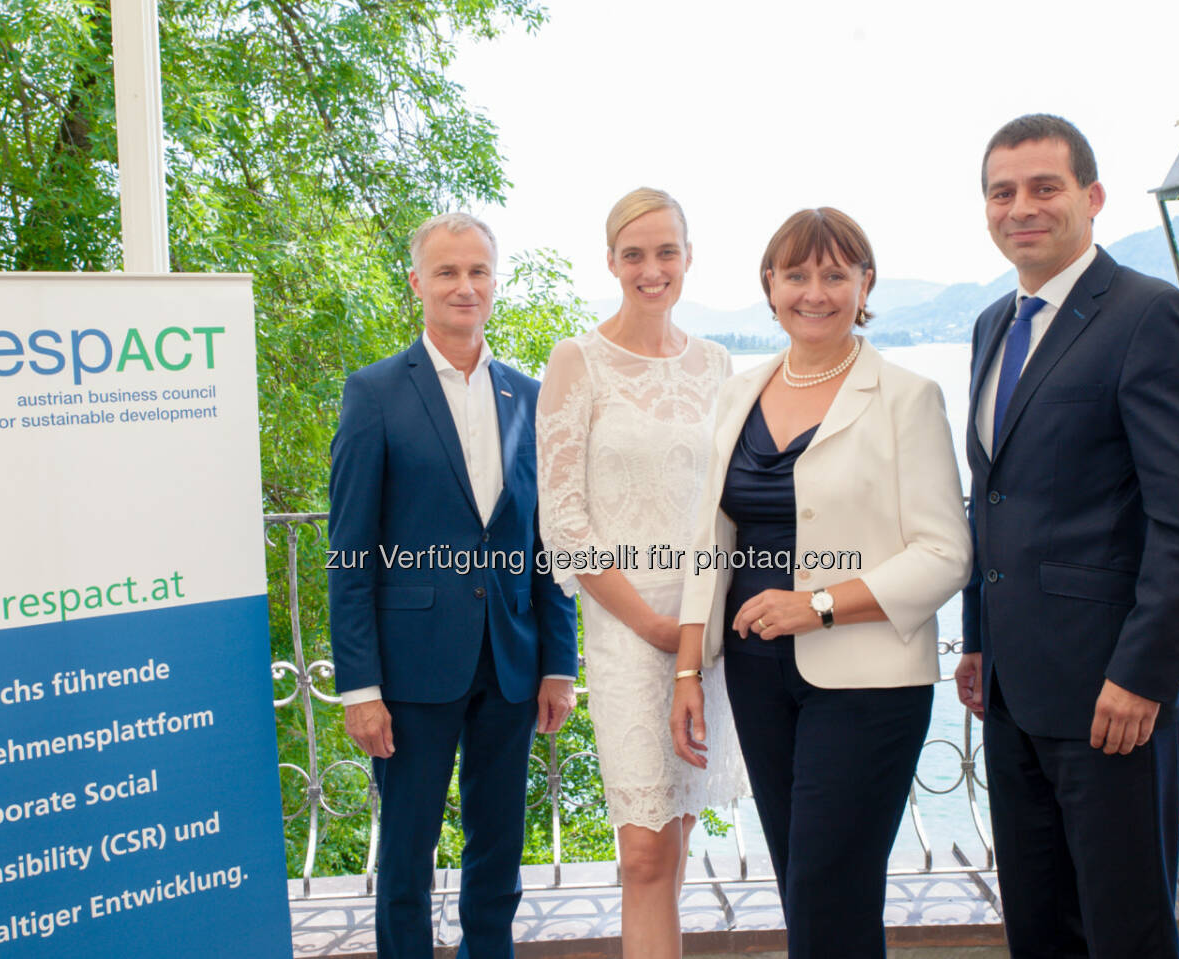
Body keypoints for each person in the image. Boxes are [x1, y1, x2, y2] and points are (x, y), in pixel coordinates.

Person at [954, 114, 1179, 958]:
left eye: (1045, 187)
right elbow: (991, 499)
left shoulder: (1152, 316)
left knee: (1127, 931)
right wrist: (976, 641)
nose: (1022, 207)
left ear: (1092, 196)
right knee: (1040, 928)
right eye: (1003, 192)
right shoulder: (991, 327)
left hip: (1114, 697)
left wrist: (1143, 675)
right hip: (1011, 689)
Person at [670, 207, 972, 959]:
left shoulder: (908, 396)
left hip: (869, 679)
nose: (815, 290)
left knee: (828, 880)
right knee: (801, 882)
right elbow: (707, 543)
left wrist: (820, 605)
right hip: (756, 671)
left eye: (835, 273)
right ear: (769, 285)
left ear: (865, 284)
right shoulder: (736, 395)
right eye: (797, 273)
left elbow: (945, 552)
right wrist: (686, 666)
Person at [328, 212, 579, 959]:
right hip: (409, 668)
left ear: (495, 283)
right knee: (407, 852)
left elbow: (548, 540)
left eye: (478, 271)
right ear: (417, 283)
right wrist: (359, 686)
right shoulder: (373, 394)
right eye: (447, 272)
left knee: (498, 850)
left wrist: (558, 661)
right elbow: (349, 552)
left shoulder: (530, 397)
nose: (464, 286)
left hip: (511, 663)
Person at [537, 187, 747, 959]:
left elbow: (726, 506)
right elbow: (565, 519)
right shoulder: (576, 360)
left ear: (688, 259)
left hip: (701, 626)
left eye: (666, 252)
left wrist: (697, 626)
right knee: (643, 850)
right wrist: (654, 625)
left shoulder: (718, 364)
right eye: (635, 254)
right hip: (628, 632)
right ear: (611, 262)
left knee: (679, 837)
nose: (651, 268)